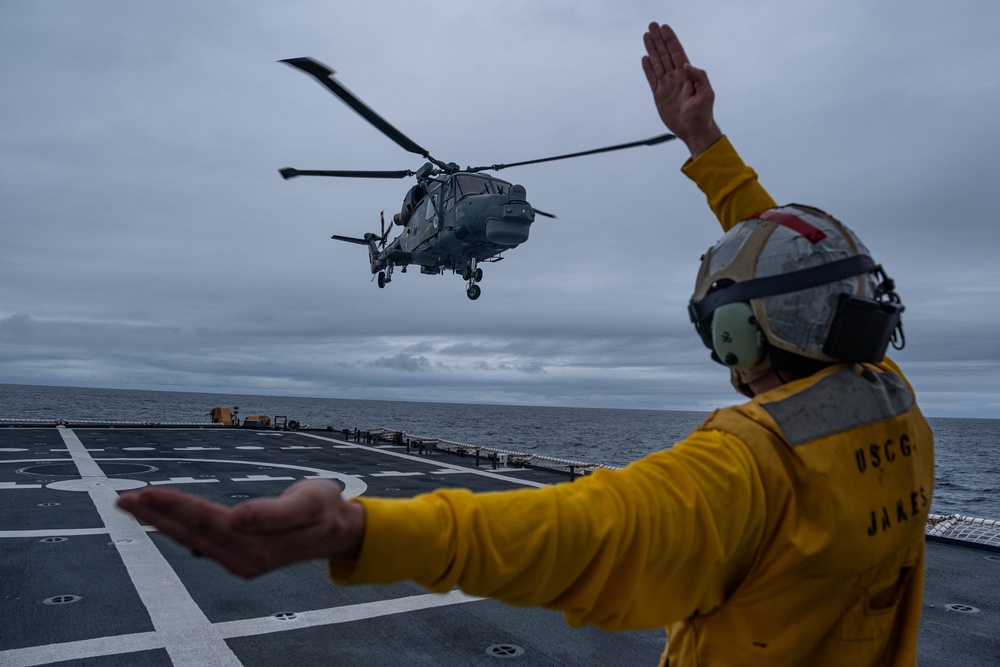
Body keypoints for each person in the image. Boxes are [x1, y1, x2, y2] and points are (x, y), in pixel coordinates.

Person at [117, 22, 934, 666]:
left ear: (734, 331)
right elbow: (795, 268)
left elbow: (580, 529)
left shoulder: (749, 469)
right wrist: (704, 143)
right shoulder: (893, 408)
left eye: (722, 320)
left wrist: (359, 530)